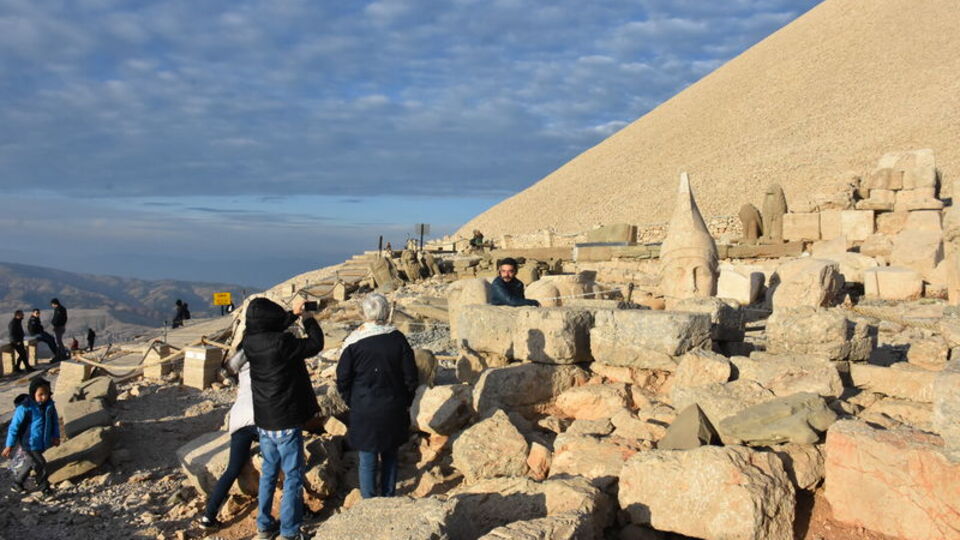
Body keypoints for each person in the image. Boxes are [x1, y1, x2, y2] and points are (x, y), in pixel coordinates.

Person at [243, 296, 323, 540]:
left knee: (268, 474)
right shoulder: (282, 342)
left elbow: (268, 325)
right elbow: (315, 344)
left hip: (265, 421)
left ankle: (264, 526)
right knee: (292, 477)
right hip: (286, 420)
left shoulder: (249, 341)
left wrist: (293, 313)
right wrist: (308, 319)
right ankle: (289, 531)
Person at [336, 293, 418, 499]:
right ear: (385, 312)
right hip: (393, 405)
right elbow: (411, 375)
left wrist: (351, 400)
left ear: (364, 313)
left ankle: (369, 500)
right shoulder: (397, 338)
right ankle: (388, 495)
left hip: (364, 407)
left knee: (367, 457)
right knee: (391, 453)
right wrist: (406, 400)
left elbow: (343, 378)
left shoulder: (353, 343)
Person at [199, 350, 256, 530]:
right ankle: (300, 509)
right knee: (284, 460)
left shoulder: (244, 361)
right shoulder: (271, 356)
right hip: (262, 417)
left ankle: (208, 517)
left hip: (238, 417)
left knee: (232, 469)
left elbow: (229, 368)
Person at [3, 377, 60, 494]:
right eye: (41, 394)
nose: (44, 397)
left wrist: (55, 436)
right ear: (33, 393)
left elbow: (54, 422)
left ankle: (17, 483)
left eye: (47, 393)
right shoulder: (25, 407)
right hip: (28, 442)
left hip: (42, 442)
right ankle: (44, 487)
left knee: (30, 462)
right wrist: (9, 445)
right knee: (40, 463)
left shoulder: (49, 405)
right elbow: (14, 427)